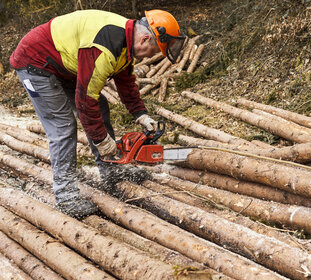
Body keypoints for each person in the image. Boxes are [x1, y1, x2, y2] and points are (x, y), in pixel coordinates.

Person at [10, 9, 186, 218]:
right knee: (63, 125)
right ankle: (66, 194)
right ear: (146, 38)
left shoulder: (126, 42)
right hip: (35, 63)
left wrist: (140, 114)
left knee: (100, 105)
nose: (150, 56)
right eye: (152, 50)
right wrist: (102, 140)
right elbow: (85, 101)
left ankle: (109, 170)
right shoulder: (105, 46)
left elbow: (126, 82)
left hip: (62, 65)